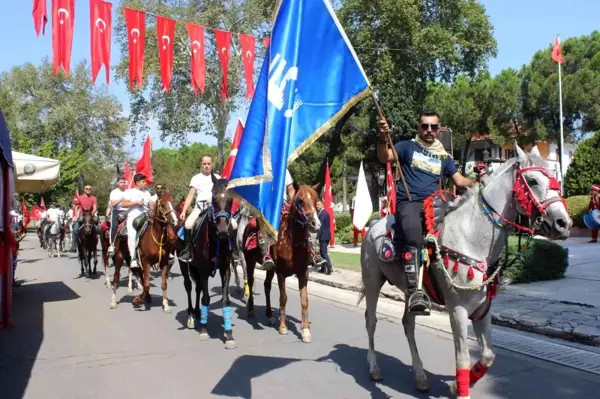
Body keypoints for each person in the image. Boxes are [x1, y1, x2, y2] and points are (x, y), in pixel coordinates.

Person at [377, 110, 482, 315]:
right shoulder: (407, 147)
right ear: (419, 127)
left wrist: (480, 181)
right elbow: (384, 157)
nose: (429, 130)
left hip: (435, 206)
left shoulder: (444, 157)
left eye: (433, 127)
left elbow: (459, 181)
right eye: (425, 126)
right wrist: (382, 137)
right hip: (409, 202)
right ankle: (414, 291)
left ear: (438, 129)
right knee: (414, 237)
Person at [179, 154, 221, 262]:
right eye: (204, 164)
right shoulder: (196, 178)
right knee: (188, 224)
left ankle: (233, 251)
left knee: (233, 224)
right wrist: (184, 211)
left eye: (209, 164)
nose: (206, 166)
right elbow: (190, 195)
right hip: (200, 208)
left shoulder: (218, 178)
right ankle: (188, 250)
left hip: (215, 208)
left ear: (212, 164)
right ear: (201, 165)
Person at [121, 173, 151, 269]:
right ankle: (133, 258)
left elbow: (150, 206)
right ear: (137, 182)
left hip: (146, 217)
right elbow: (124, 204)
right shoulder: (130, 192)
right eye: (143, 181)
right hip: (133, 218)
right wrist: (137, 202)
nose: (145, 183)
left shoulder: (147, 193)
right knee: (132, 235)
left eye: (145, 181)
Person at [107, 176, 128, 256]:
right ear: (117, 183)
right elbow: (113, 204)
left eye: (124, 182)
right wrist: (122, 198)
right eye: (121, 182)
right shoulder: (114, 192)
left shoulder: (128, 191)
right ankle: (112, 244)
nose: (123, 184)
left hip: (127, 211)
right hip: (117, 211)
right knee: (114, 226)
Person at [316, 199, 333, 275]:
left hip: (323, 236)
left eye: (318, 204)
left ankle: (329, 267)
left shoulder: (323, 213)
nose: (317, 206)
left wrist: (317, 236)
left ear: (322, 205)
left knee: (323, 253)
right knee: (322, 253)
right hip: (325, 235)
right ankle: (323, 268)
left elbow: (320, 226)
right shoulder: (322, 213)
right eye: (316, 205)